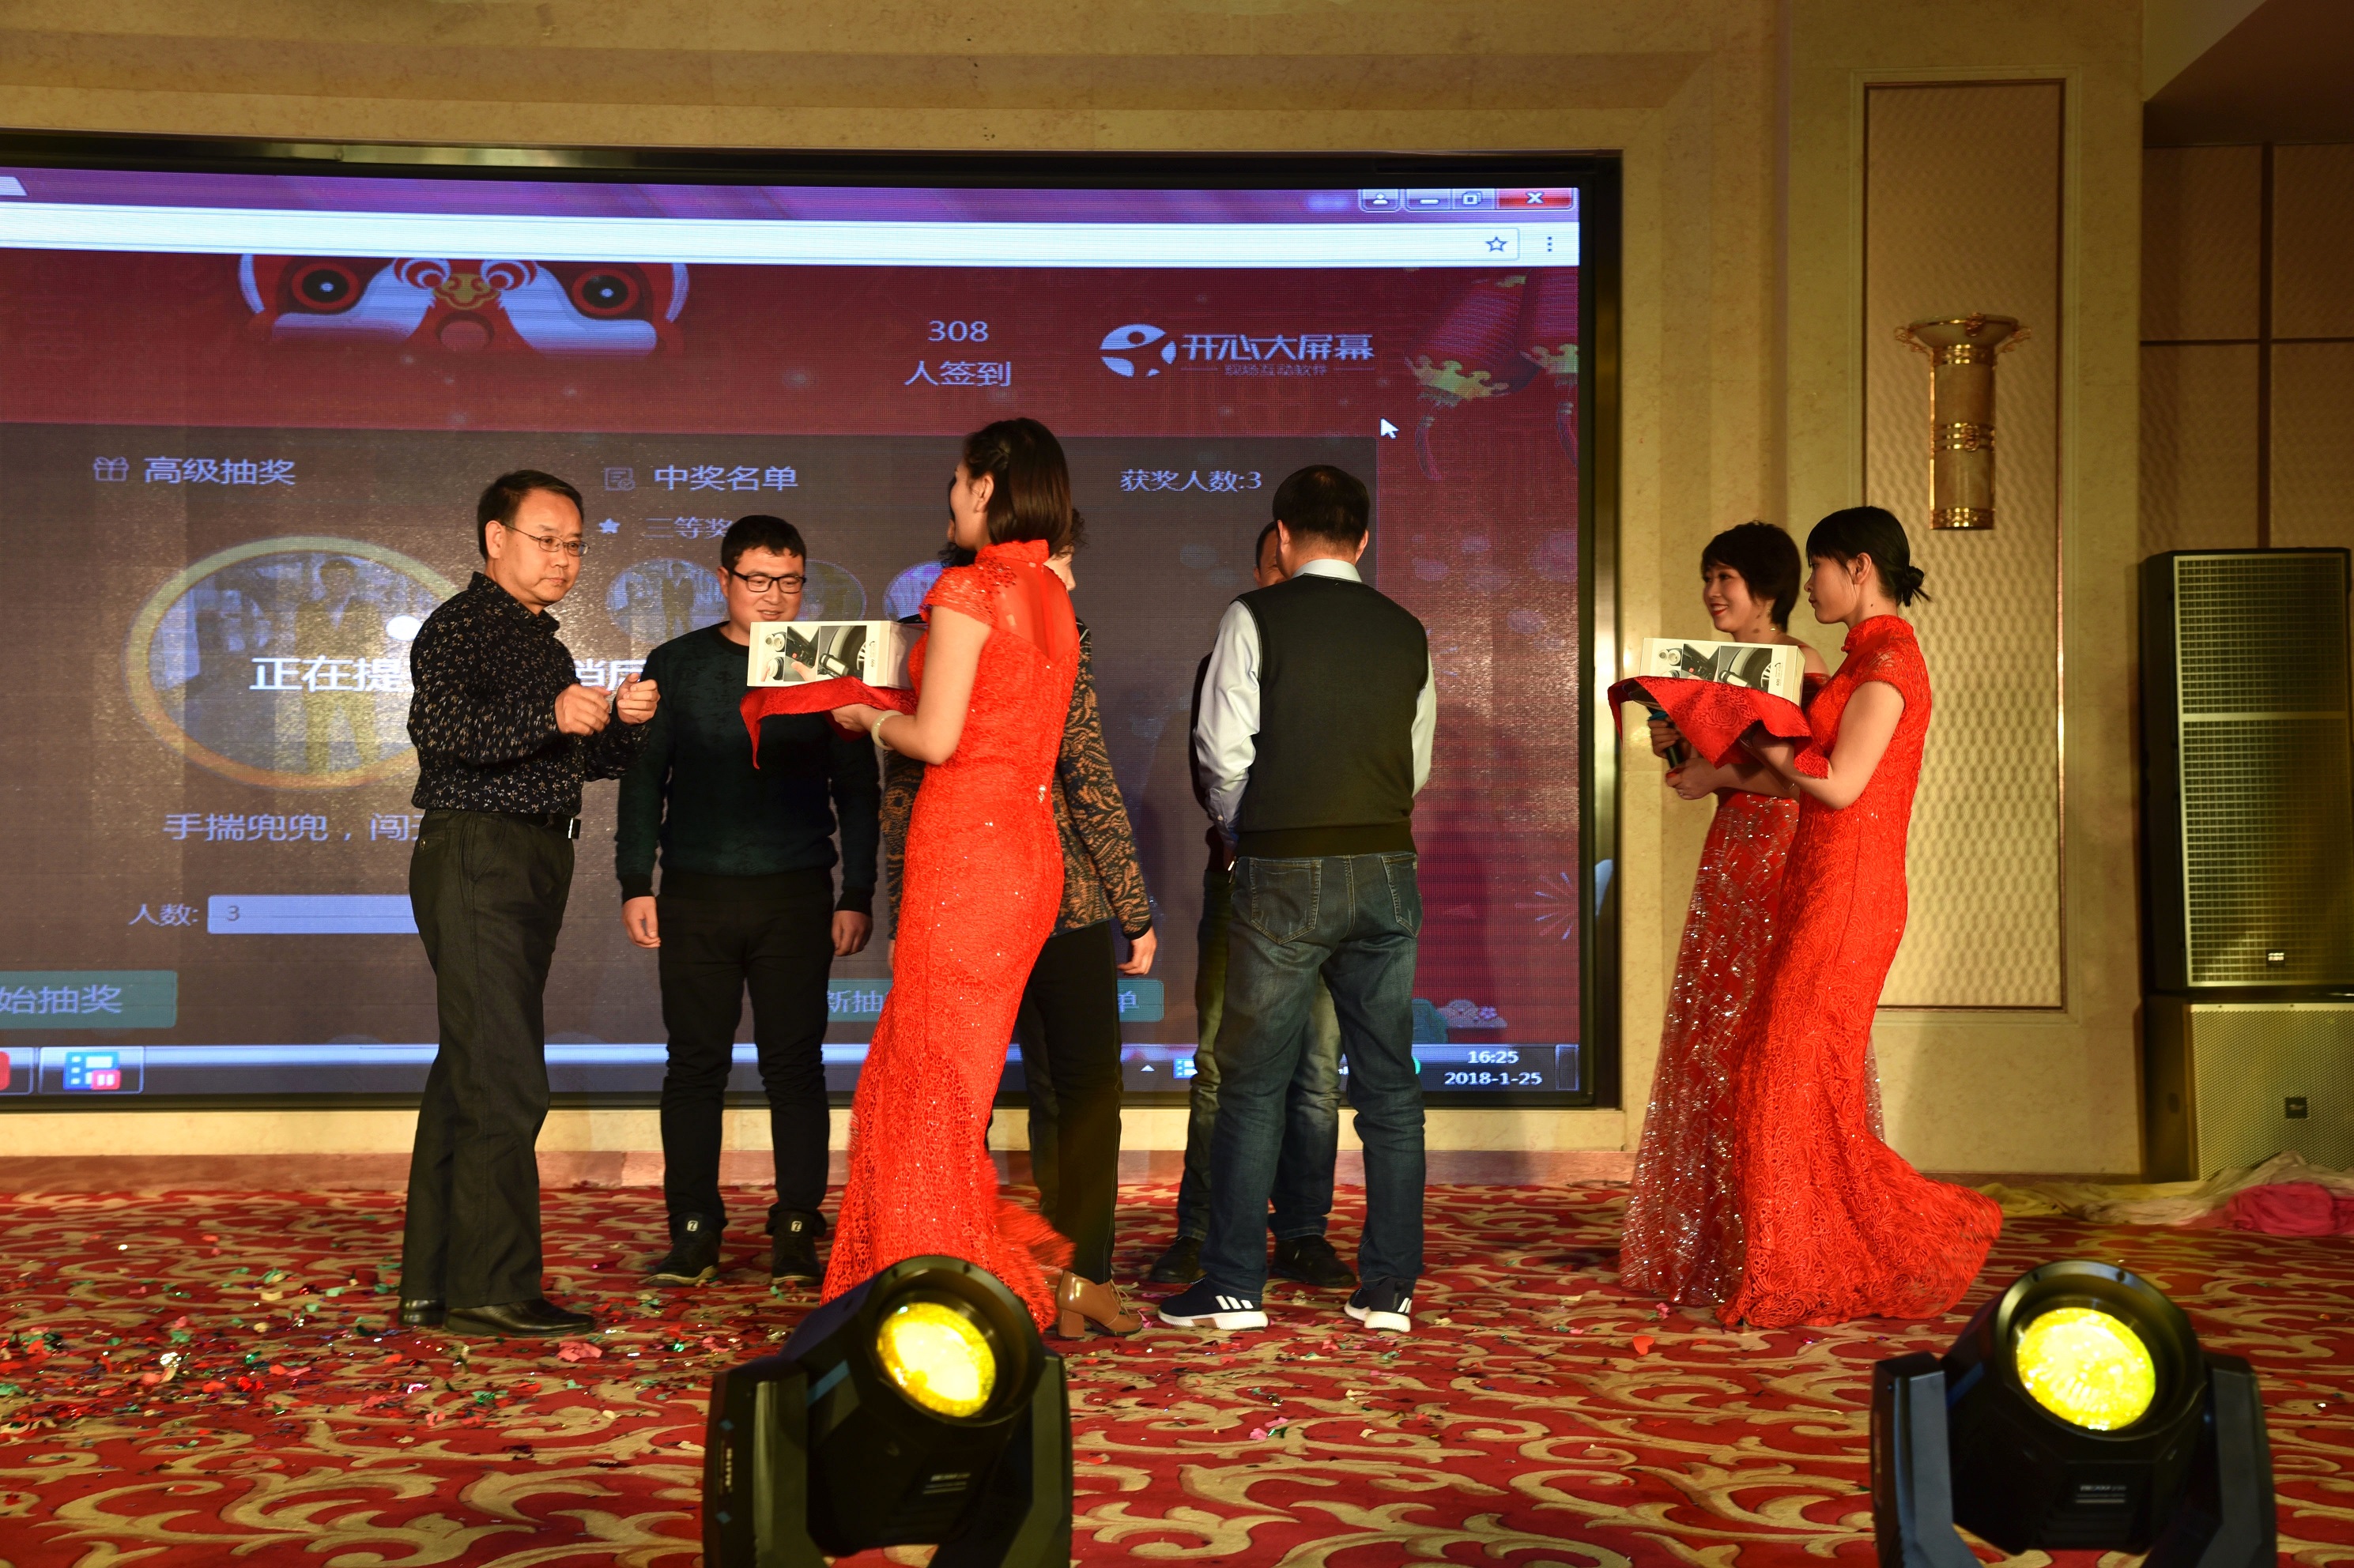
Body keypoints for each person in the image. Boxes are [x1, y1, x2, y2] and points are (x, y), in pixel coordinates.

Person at [1669, 506, 2000, 1327]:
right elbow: (1805, 776)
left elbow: (1842, 785)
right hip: (1817, 885)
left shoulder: (1889, 663)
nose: (1809, 582)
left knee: (1783, 1081)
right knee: (1787, 1083)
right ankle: (1806, 1261)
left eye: (1817, 566)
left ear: (1858, 568)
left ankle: (1889, 1245)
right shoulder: (1862, 659)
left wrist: (1752, 732)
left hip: (1850, 896)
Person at [823, 417, 1088, 1335]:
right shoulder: (1052, 594)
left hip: (965, 855)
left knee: (926, 1085)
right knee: (947, 1083)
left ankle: (933, 1288)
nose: (949, 494)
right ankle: (934, 1271)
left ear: (984, 487)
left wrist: (865, 716)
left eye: (955, 478)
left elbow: (937, 739)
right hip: (1027, 857)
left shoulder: (969, 587)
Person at [1160, 465, 1435, 1335]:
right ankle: (1388, 1289)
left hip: (1283, 867)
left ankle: (1234, 1286)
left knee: (1252, 1082)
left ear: (1282, 536)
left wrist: (1247, 830)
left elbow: (1221, 755)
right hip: (1386, 864)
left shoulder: (1252, 616)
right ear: (1362, 539)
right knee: (1389, 1088)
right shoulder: (1406, 629)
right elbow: (1416, 761)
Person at [398, 470, 660, 1338]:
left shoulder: (539, 639)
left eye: (575, 544)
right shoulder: (461, 625)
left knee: (471, 1073)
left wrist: (622, 722)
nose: (563, 558)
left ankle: (435, 1283)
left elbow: (570, 759)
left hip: (530, 853)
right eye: (547, 540)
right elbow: (442, 733)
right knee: (503, 1075)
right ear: (495, 539)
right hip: (481, 851)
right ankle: (492, 1286)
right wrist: (550, 710)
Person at [880, 529, 1156, 1335]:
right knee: (1081, 1088)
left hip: (968, 888)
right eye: (1061, 558)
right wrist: (1133, 908)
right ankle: (1079, 1276)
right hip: (1054, 886)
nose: (1065, 575)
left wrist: (906, 905)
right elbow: (1087, 770)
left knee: (981, 1090)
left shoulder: (939, 628)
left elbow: (905, 787)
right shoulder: (1054, 627)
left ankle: (987, 1272)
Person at [616, 514, 880, 1290]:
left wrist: (857, 892)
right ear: (724, 579)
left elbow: (857, 792)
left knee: (794, 1065)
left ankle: (796, 1226)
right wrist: (635, 882)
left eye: (789, 581)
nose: (773, 596)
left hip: (796, 894)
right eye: (758, 580)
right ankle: (693, 1229)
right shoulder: (678, 663)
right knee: (693, 1065)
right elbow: (644, 782)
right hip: (694, 893)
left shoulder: (823, 661)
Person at [1619, 522, 1827, 1308]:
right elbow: (1709, 773)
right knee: (1713, 1047)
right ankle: (1713, 1238)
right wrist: (1678, 748)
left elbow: (1808, 778)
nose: (1712, 593)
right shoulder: (1712, 668)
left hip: (1778, 859)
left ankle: (1776, 1239)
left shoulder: (1799, 664)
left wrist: (1718, 775)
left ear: (1766, 590)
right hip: (1730, 858)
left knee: (1764, 1046)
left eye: (1726, 579)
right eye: (1708, 577)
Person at [1147, 521, 1349, 1291]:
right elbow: (1213, 773)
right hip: (1243, 877)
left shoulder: (1349, 658)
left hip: (1332, 882)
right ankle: (1198, 1230)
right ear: (1263, 570)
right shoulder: (1228, 655)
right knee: (1218, 1064)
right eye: (1276, 568)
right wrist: (1247, 839)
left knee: (1316, 1069)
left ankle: (1301, 1232)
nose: (1289, 582)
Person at [298, 556, 385, 771]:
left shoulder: (368, 609)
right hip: (321, 681)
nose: (338, 583)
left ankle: (373, 776)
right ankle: (317, 776)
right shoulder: (307, 610)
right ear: (324, 581)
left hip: (357, 680)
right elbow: (302, 647)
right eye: (332, 578)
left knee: (364, 730)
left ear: (351, 581)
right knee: (317, 731)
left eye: (343, 578)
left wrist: (349, 659)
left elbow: (376, 644)